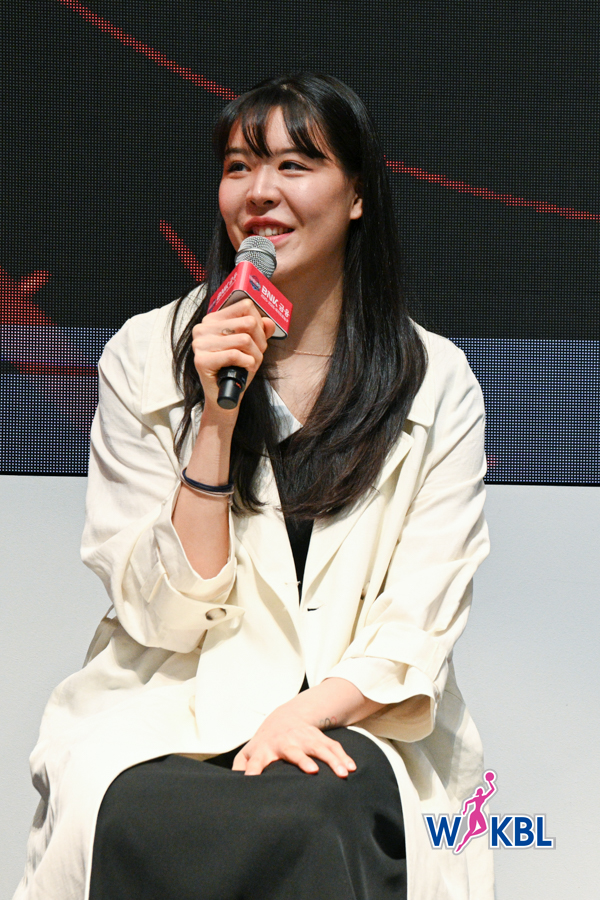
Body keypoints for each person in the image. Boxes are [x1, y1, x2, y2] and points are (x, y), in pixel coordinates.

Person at [14, 73, 492, 900]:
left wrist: (301, 714)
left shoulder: (435, 378)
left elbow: (419, 620)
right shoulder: (145, 353)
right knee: (127, 810)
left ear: (357, 195)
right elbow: (163, 613)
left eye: (295, 166)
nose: (260, 193)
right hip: (172, 711)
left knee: (319, 812)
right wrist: (216, 418)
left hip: (350, 716)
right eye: (240, 167)